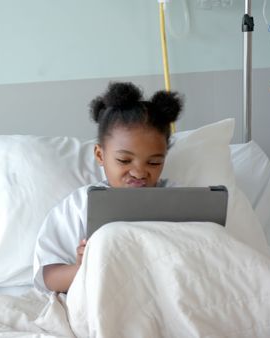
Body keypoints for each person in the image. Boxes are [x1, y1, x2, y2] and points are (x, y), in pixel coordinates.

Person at [33, 82, 183, 293]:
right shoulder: (80, 205)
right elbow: (48, 277)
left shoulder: (179, 199)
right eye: (124, 160)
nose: (139, 172)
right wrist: (84, 269)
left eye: (154, 162)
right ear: (100, 155)